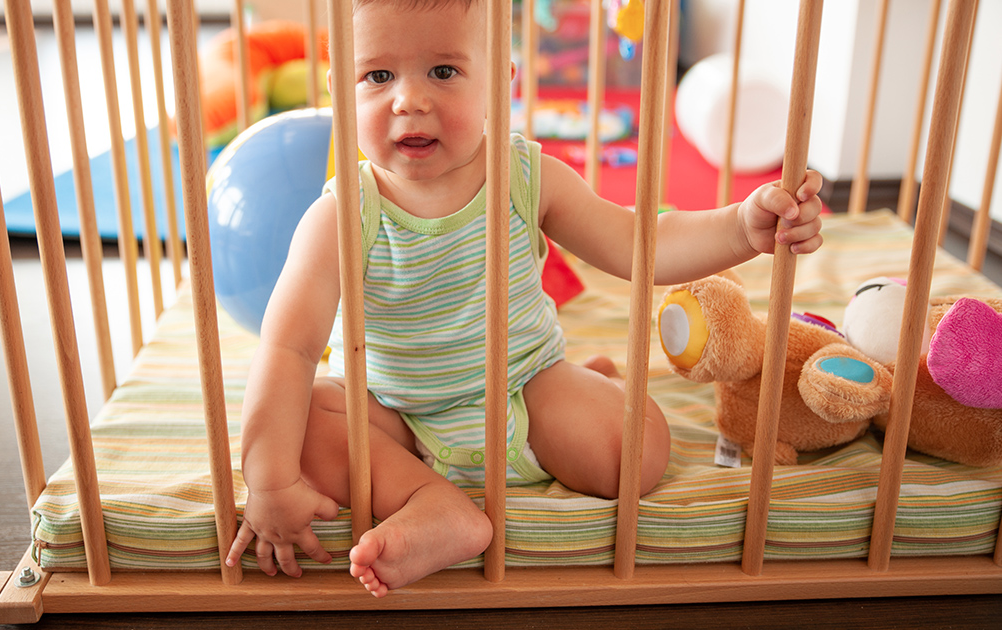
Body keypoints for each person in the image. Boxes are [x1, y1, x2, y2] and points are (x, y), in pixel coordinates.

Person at [225, 0, 824, 598]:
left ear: (497, 82)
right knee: (304, 423)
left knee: (634, 451)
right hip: (395, 413)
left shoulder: (525, 177)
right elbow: (288, 348)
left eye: (442, 71)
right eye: (378, 76)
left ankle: (585, 388)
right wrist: (271, 482)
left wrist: (741, 230)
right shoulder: (340, 217)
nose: (409, 100)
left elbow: (638, 244)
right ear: (339, 91)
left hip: (524, 387)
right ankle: (434, 506)